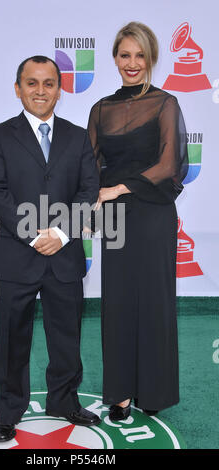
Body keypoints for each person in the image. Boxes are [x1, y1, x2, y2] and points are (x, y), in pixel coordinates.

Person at [0, 55, 100, 442]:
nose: (40, 91)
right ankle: (8, 411)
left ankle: (64, 401)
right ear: (18, 88)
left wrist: (61, 235)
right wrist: (34, 235)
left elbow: (88, 190)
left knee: (66, 336)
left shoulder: (78, 136)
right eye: (31, 83)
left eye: (49, 83)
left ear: (60, 90)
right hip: (17, 254)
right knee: (12, 339)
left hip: (64, 254)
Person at [88, 22, 188, 420]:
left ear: (151, 59)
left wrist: (117, 189)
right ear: (115, 58)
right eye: (125, 55)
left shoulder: (166, 104)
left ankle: (154, 391)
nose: (132, 63)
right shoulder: (100, 109)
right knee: (117, 302)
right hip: (114, 220)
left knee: (154, 302)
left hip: (152, 214)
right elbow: (90, 165)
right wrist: (88, 199)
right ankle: (121, 393)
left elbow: (169, 165)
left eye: (140, 55)